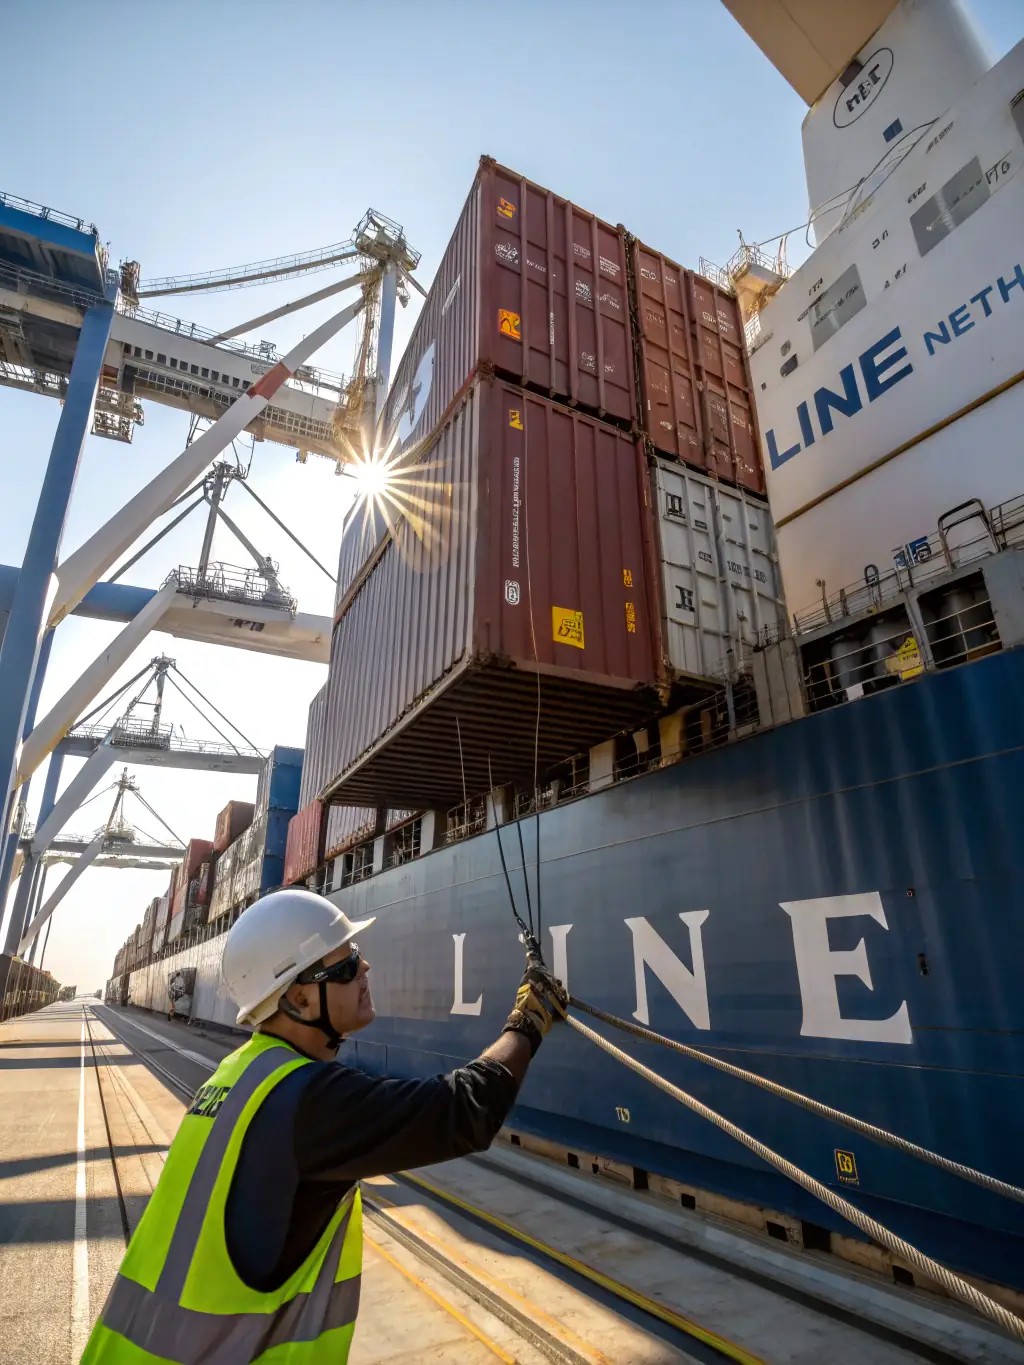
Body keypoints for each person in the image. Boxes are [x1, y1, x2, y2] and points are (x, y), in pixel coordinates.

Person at [81, 887, 568, 1363]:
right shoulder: (306, 1101)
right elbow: (464, 1111)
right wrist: (529, 1021)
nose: (366, 968)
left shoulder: (236, 1076)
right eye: (348, 964)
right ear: (299, 1001)